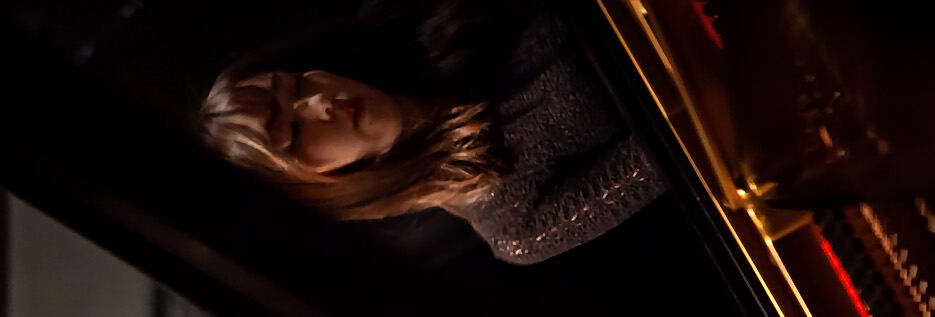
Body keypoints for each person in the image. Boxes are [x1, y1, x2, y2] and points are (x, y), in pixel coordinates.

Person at [199, 0, 666, 264]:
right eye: (295, 135)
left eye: (296, 84)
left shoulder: (426, 20)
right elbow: (680, 158)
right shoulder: (514, 223)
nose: (319, 101)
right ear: (317, 186)